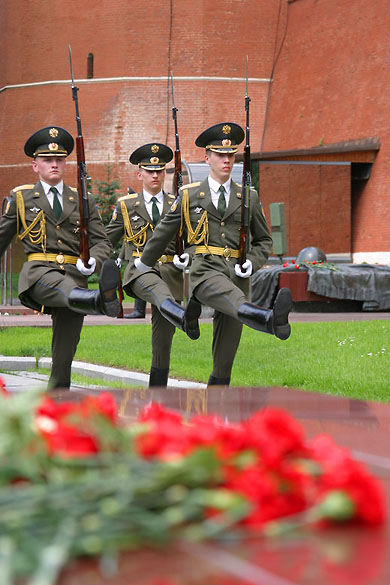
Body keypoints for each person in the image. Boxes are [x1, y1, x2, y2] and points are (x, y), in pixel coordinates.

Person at [135, 122, 293, 386]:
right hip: (205, 272)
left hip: (237, 276)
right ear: (207, 158)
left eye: (231, 155)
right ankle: (266, 319)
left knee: (224, 358)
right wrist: (144, 264)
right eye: (220, 155)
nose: (227, 160)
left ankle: (215, 416)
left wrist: (252, 263)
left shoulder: (248, 197)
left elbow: (264, 240)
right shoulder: (190, 195)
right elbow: (164, 232)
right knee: (228, 295)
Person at [0, 126, 121, 389]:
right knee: (65, 287)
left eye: (59, 160)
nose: (54, 164)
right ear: (35, 166)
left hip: (75, 278)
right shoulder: (21, 198)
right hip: (39, 274)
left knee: (63, 358)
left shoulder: (81, 200)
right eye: (47, 160)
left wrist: (94, 262)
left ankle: (57, 407)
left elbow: (102, 241)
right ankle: (99, 300)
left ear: (65, 164)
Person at [106, 142, 200, 387]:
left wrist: (186, 256)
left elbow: (194, 241)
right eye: (150, 171)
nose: (156, 175)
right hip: (139, 271)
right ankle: (183, 317)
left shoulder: (178, 204)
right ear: (140, 174)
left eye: (160, 171)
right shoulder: (126, 206)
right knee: (158, 292)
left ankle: (157, 395)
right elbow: (106, 240)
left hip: (171, 273)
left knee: (162, 342)